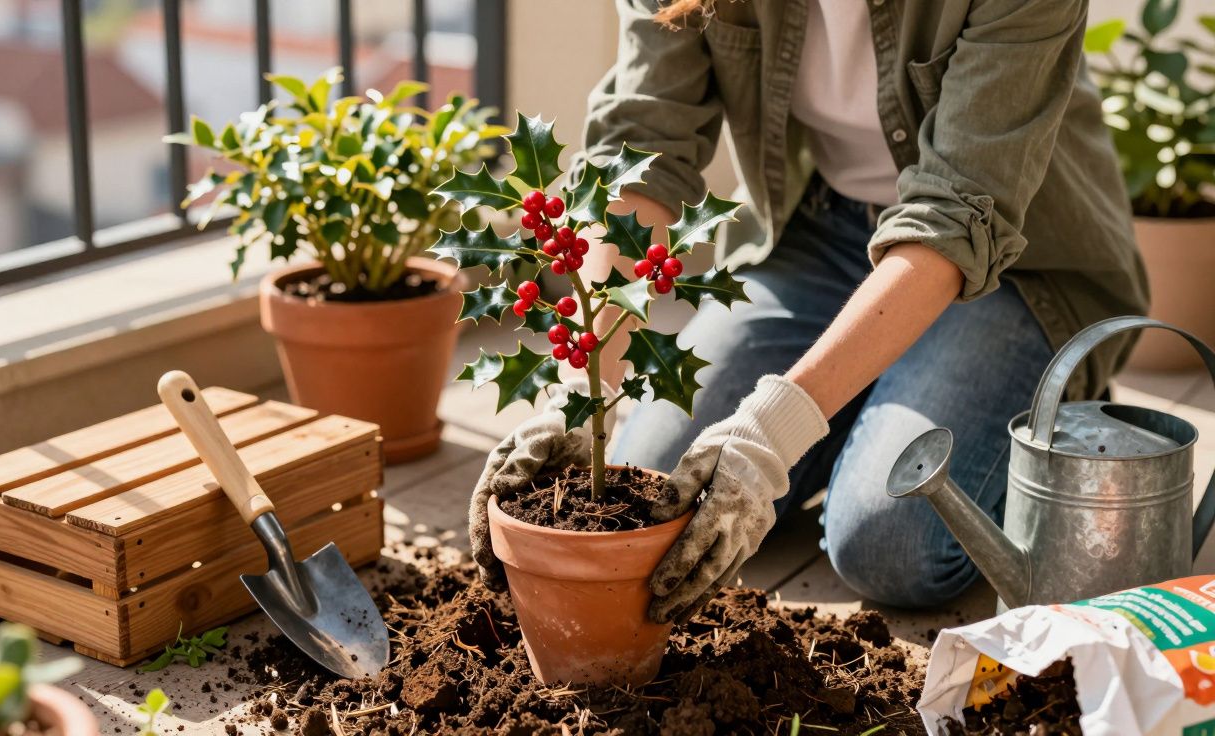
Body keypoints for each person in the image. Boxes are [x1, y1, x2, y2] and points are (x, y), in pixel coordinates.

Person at [469, 0, 1148, 624]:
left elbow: (956, 217)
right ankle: (859, 396)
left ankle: (1018, 402)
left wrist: (775, 429)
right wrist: (579, 394)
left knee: (888, 547)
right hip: (825, 236)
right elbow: (639, 155)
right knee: (654, 487)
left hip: (1013, 265)